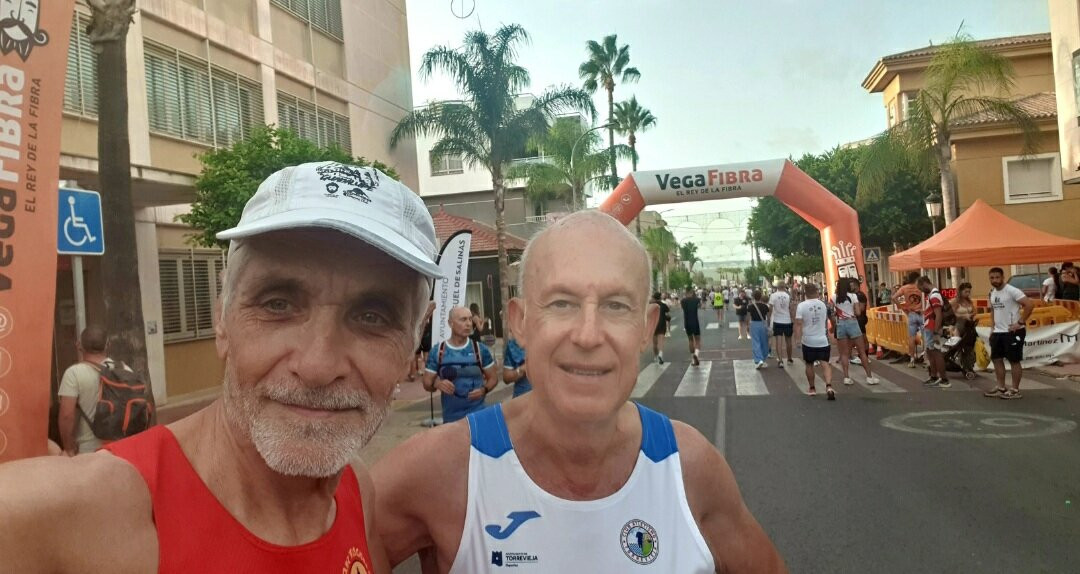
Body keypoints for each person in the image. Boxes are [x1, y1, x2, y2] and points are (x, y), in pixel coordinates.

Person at [0, 161, 444, 572]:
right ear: (222, 321)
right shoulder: (92, 513)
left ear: (412, 343)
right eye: (278, 304)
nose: (317, 365)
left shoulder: (355, 490)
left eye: (373, 316)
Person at [372, 210, 786, 573]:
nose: (588, 336)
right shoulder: (438, 470)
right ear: (520, 322)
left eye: (616, 306)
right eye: (562, 303)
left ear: (646, 327)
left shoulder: (690, 467)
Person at [425, 306, 498, 423]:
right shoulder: (438, 351)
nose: (468, 324)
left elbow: (493, 378)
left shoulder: (480, 349)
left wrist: (484, 390)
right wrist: (437, 383)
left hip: (478, 417)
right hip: (451, 419)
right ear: (450, 323)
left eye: (470, 319)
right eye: (463, 320)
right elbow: (427, 383)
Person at [57, 325, 113, 456]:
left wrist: (69, 447)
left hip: (89, 451)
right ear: (108, 344)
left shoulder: (73, 373)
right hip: (118, 447)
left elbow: (66, 416)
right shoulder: (123, 370)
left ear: (78, 345)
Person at [983, 267, 1035, 400]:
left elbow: (1029, 305)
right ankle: (1001, 387)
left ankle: (1015, 389)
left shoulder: (1012, 291)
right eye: (992, 278)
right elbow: (993, 310)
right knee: (996, 359)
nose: (994, 280)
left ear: (1003, 277)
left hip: (1012, 331)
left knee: (1014, 360)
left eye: (997, 277)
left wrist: (1021, 322)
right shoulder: (992, 292)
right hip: (998, 332)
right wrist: (992, 328)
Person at [833, 279, 878, 386]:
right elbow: (858, 312)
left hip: (841, 324)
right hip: (852, 323)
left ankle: (846, 377)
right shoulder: (853, 296)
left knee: (844, 353)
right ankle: (869, 377)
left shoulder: (834, 297)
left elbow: (832, 310)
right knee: (861, 351)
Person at [795, 283, 835, 400]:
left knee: (809, 364)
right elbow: (832, 318)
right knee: (825, 363)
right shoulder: (824, 304)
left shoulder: (801, 306)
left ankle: (812, 388)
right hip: (822, 339)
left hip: (808, 340)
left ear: (805, 293)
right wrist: (833, 327)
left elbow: (798, 324)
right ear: (817, 292)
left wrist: (797, 339)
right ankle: (828, 386)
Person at [917, 276, 949, 388]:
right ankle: (934, 376)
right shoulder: (932, 295)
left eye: (920, 287)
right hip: (929, 326)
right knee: (931, 353)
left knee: (936, 353)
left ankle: (943, 379)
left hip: (932, 327)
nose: (920, 290)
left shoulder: (934, 295)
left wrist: (936, 330)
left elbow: (938, 314)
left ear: (924, 283)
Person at [892, 271, 925, 367]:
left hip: (911, 314)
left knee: (911, 337)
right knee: (925, 336)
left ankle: (912, 359)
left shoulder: (904, 288)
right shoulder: (921, 287)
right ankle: (926, 359)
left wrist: (902, 308)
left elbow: (894, 297)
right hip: (922, 313)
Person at [949, 283, 977, 378]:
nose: (968, 293)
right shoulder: (955, 302)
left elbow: (974, 311)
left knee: (969, 347)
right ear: (960, 292)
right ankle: (961, 364)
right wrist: (963, 316)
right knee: (959, 346)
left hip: (968, 326)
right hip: (957, 325)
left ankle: (969, 365)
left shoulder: (969, 301)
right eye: (966, 291)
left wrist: (972, 314)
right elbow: (951, 315)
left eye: (969, 291)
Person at [768, 282, 794, 367]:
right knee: (789, 341)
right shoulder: (788, 296)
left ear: (777, 287)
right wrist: (792, 318)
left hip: (777, 320)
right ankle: (789, 359)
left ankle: (780, 360)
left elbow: (770, 308)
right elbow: (791, 308)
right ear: (784, 287)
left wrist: (769, 318)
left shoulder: (773, 295)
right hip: (787, 320)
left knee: (779, 341)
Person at [849, 278, 871, 363]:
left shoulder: (860, 295)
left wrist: (852, 311)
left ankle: (864, 357)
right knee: (858, 338)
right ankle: (862, 356)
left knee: (862, 338)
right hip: (857, 319)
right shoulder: (854, 295)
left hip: (860, 319)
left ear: (855, 285)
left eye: (851, 285)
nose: (850, 287)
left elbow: (861, 309)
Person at [748, 289, 771, 369]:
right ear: (761, 297)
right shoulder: (765, 306)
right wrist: (768, 326)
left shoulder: (750, 306)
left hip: (754, 324)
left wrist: (748, 326)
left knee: (756, 342)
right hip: (763, 324)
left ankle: (759, 359)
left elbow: (749, 317)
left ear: (753, 297)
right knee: (764, 342)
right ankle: (764, 358)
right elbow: (768, 317)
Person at [681, 285, 704, 366]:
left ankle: (693, 359)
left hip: (687, 322)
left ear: (686, 293)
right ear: (691, 292)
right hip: (695, 322)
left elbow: (683, 308)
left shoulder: (683, 301)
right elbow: (701, 306)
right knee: (697, 340)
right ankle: (696, 355)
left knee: (690, 340)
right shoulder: (696, 300)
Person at [650, 291, 671, 364]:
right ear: (660, 297)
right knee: (661, 341)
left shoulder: (651, 305)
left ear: (654, 298)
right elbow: (668, 315)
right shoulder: (663, 305)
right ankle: (660, 355)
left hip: (653, 325)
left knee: (654, 343)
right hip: (662, 324)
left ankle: (656, 356)